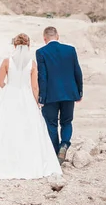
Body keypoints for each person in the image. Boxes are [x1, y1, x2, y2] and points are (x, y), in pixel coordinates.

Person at [0, 33, 62, 179]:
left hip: (9, 94)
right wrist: (36, 103)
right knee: (27, 128)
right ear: (28, 45)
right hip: (26, 96)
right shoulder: (32, 64)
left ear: (15, 45)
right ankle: (28, 164)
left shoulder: (6, 61)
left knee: (2, 127)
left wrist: (8, 88)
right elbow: (35, 87)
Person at [36, 26, 83, 164]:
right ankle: (64, 145)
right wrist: (79, 92)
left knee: (51, 124)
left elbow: (42, 77)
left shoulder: (41, 52)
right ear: (58, 36)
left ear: (45, 39)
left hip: (50, 95)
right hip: (69, 93)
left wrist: (41, 97)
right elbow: (77, 72)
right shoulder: (70, 50)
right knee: (66, 122)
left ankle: (56, 155)